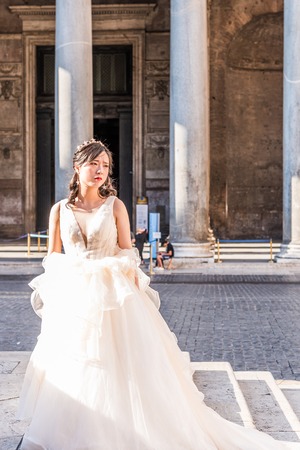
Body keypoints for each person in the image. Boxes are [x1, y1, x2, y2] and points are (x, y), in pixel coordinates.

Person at [16, 138, 299, 449]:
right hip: (76, 302)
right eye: (94, 164)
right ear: (77, 167)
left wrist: (107, 268)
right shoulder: (59, 210)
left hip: (112, 297)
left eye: (106, 166)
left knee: (118, 365)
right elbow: (53, 256)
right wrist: (68, 281)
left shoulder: (115, 206)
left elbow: (128, 251)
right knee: (77, 365)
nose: (100, 171)